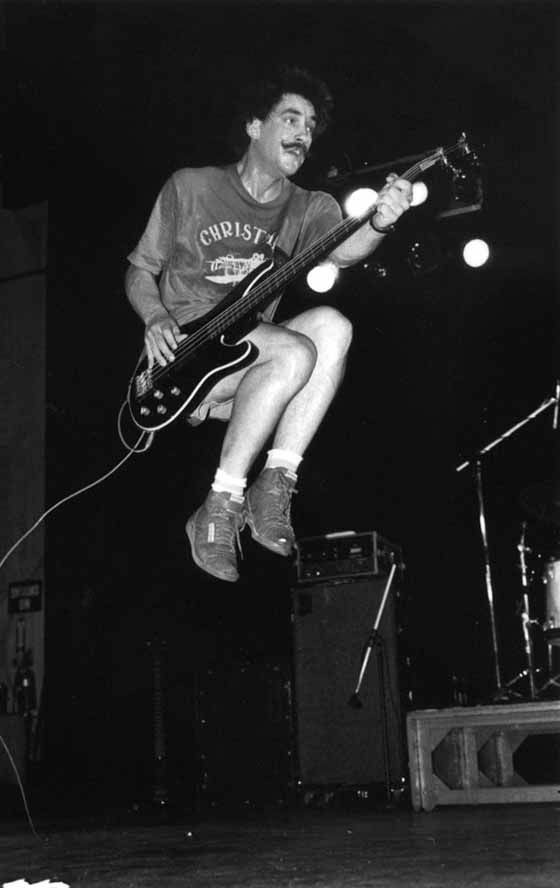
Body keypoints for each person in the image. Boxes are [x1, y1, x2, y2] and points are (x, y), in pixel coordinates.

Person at [125, 65, 412, 582]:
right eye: (291, 118)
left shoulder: (308, 206)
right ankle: (222, 501)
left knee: (332, 327)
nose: (303, 134)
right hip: (185, 360)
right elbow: (140, 270)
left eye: (310, 127)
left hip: (246, 368)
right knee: (295, 351)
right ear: (255, 127)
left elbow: (345, 252)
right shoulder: (190, 187)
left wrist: (381, 222)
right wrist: (154, 317)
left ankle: (272, 481)